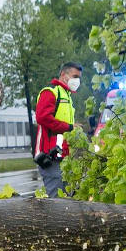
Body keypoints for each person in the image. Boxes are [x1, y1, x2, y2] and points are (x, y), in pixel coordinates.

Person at [34, 62, 83, 198]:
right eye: (74, 76)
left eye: (79, 78)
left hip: (63, 156)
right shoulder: (50, 92)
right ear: (63, 74)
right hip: (50, 156)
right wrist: (69, 127)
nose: (77, 81)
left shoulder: (66, 95)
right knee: (57, 202)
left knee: (68, 197)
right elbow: (43, 117)